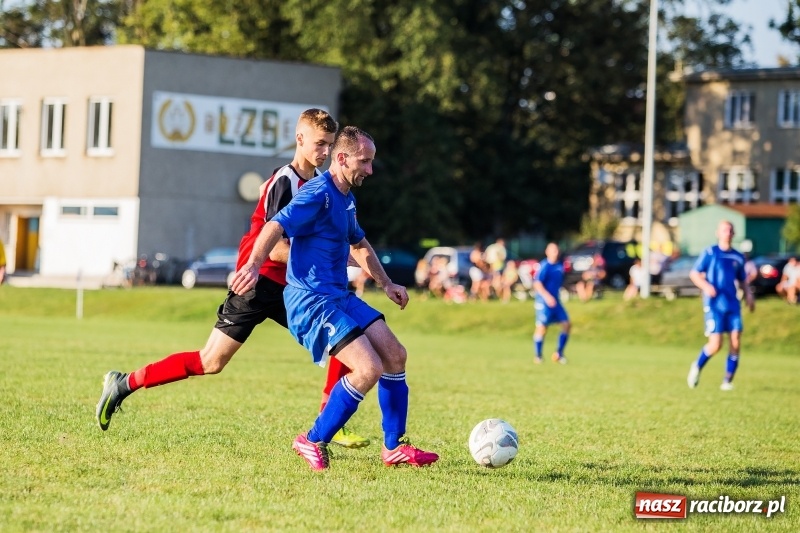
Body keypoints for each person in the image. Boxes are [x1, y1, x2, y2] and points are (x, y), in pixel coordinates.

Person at [95, 109, 370, 448]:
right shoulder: (284, 181)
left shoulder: (320, 185)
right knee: (211, 361)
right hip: (258, 284)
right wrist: (330, 259)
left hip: (293, 289)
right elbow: (272, 247)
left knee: (344, 338)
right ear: (300, 139)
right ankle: (124, 383)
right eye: (319, 144)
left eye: (329, 145)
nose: (325, 152)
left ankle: (331, 421)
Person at [230, 126, 438, 471]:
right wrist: (253, 265)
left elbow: (359, 243)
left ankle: (393, 447)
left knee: (394, 354)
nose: (369, 170)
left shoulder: (346, 198)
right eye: (365, 161)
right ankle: (311, 440)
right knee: (368, 367)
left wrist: (386, 284)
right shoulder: (317, 192)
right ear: (342, 159)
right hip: (311, 302)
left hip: (338, 296)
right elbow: (274, 227)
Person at [687, 220, 755, 392]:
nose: (728, 233)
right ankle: (697, 366)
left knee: (736, 340)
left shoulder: (738, 256)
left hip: (733, 304)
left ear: (734, 234)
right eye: (725, 230)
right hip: (714, 304)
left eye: (731, 230)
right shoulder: (710, 252)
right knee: (716, 344)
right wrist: (706, 286)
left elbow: (743, 280)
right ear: (718, 233)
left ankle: (727, 381)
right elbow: (694, 274)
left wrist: (749, 295)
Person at [532, 243, 570, 364]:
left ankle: (559, 353)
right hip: (544, 302)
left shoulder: (559, 266)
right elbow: (537, 284)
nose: (556, 252)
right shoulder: (544, 266)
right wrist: (547, 297)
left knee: (566, 324)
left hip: (556, 301)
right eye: (553, 250)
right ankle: (538, 356)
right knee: (542, 328)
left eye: (557, 250)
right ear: (547, 252)